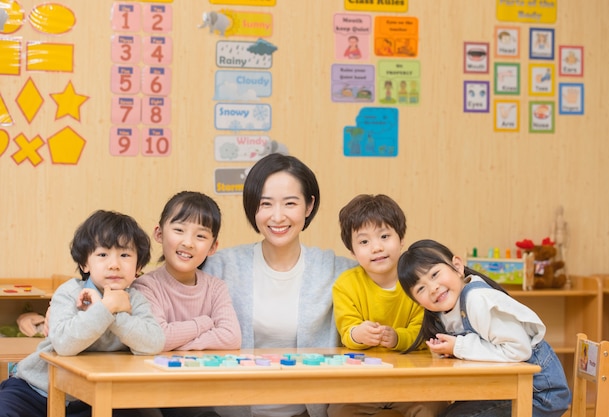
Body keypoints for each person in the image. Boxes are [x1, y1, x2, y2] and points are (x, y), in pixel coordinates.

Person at [202, 153, 357, 417]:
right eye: (265, 204)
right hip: (232, 412)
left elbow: (389, 279)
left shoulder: (335, 270)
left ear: (308, 207)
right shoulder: (221, 266)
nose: (277, 216)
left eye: (290, 203)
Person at [0, 210, 165, 417]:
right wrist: (104, 308)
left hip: (92, 399)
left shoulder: (136, 299)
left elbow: (153, 342)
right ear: (84, 263)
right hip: (36, 390)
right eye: (102, 255)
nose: (114, 264)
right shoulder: (69, 292)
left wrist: (114, 311)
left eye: (124, 255)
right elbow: (64, 344)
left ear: (138, 266)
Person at [397, 239, 571, 417]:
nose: (432, 288)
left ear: (457, 266)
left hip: (539, 394)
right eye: (420, 288)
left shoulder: (477, 300)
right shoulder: (445, 311)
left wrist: (459, 346)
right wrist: (451, 350)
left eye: (434, 274)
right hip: (509, 388)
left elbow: (519, 350)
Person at [329, 194, 446, 417]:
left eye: (384, 236)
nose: (376, 248)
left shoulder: (418, 282)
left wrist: (396, 338)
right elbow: (347, 330)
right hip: (361, 384)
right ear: (353, 252)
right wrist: (359, 334)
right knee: (339, 409)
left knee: (434, 407)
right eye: (364, 242)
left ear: (401, 239)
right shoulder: (345, 285)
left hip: (412, 382)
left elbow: (423, 332)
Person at [133, 191, 242, 417]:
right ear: (159, 233)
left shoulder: (216, 287)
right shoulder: (145, 287)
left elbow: (232, 337)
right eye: (179, 230)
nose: (188, 242)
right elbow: (158, 338)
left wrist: (175, 344)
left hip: (198, 396)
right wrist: (204, 323)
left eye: (200, 236)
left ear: (213, 247)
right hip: (150, 393)